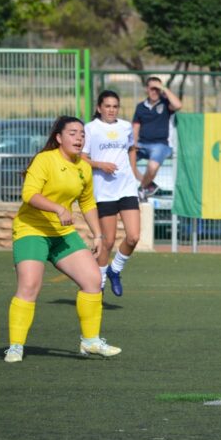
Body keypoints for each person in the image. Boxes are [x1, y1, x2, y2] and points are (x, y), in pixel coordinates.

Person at [4, 116, 122, 363]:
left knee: (92, 280)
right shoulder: (45, 160)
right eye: (72, 133)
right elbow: (29, 194)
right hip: (31, 229)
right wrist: (57, 209)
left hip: (62, 233)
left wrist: (98, 234)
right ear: (58, 138)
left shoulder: (84, 167)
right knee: (29, 287)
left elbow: (88, 202)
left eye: (81, 134)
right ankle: (15, 346)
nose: (79, 138)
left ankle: (90, 342)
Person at [83, 90, 141, 297]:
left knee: (133, 237)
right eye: (107, 106)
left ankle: (115, 270)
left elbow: (131, 149)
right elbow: (81, 158)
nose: (111, 109)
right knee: (107, 241)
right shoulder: (90, 129)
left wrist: (134, 174)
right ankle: (100, 281)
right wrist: (99, 165)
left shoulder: (125, 127)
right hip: (104, 191)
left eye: (115, 106)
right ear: (99, 108)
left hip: (126, 187)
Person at [132, 75, 182, 199]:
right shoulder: (140, 107)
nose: (154, 91)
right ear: (146, 89)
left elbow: (178, 105)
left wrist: (163, 87)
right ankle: (149, 185)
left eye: (157, 89)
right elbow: (136, 127)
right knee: (123, 161)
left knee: (152, 166)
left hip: (161, 145)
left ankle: (142, 188)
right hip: (142, 144)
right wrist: (133, 144)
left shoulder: (166, 104)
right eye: (152, 88)